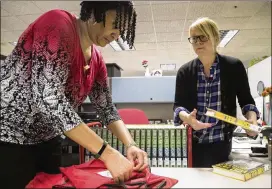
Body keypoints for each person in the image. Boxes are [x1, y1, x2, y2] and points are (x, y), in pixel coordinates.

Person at [0, 1, 148, 188]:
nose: (116, 35)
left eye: (121, 32)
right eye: (115, 27)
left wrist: (130, 145)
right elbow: (49, 98)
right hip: (9, 136)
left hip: (47, 139)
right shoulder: (57, 24)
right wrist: (108, 154)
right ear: (95, 14)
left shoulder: (96, 59)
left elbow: (107, 109)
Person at [173, 17, 260, 168]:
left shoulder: (234, 67)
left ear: (215, 38)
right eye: (194, 38)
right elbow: (178, 107)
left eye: (203, 37)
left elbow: (247, 102)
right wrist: (188, 118)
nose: (198, 42)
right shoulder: (184, 72)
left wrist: (251, 121)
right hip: (192, 144)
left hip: (222, 144)